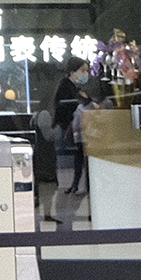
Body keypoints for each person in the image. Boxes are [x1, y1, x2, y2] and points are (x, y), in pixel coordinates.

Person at [49, 59, 91, 194]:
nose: (86, 74)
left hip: (72, 127)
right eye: (82, 70)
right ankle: (77, 184)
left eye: (87, 70)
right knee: (80, 155)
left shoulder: (71, 87)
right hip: (69, 128)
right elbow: (72, 107)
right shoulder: (67, 89)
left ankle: (76, 184)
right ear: (72, 72)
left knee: (79, 156)